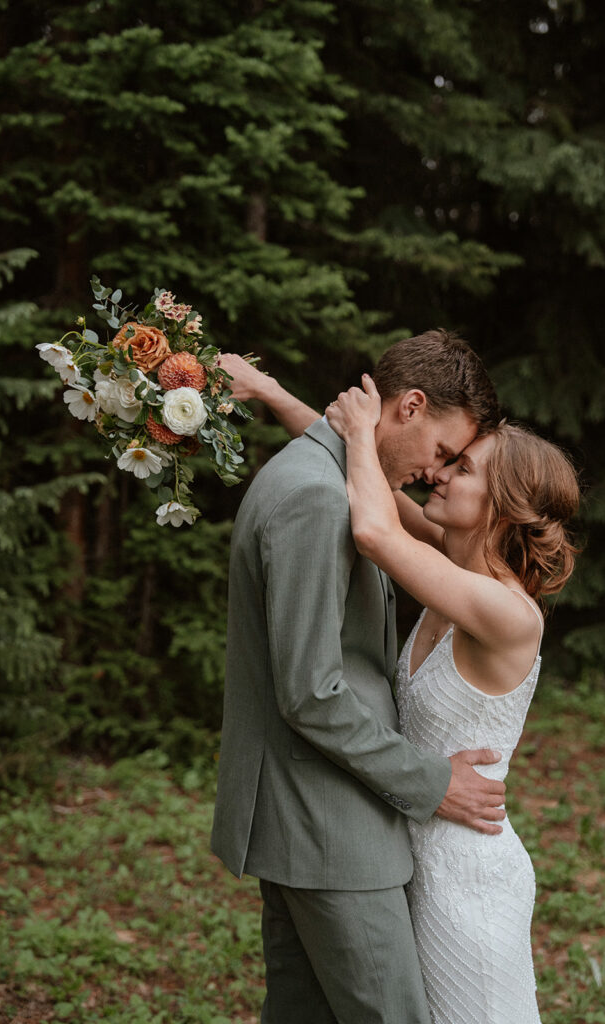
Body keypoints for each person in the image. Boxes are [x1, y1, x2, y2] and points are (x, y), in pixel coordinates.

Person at [212, 331, 510, 1024]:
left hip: (308, 820)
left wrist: (272, 394)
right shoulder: (316, 498)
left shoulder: (330, 478)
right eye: (442, 452)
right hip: (329, 829)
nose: (437, 473)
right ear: (409, 406)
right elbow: (313, 693)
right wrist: (436, 785)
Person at [325, 378, 580, 1024]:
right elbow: (378, 490)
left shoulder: (507, 613)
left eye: (462, 468)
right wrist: (273, 395)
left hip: (470, 884)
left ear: (504, 501)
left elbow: (376, 534)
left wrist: (359, 431)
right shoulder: (454, 569)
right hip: (412, 864)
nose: (437, 474)